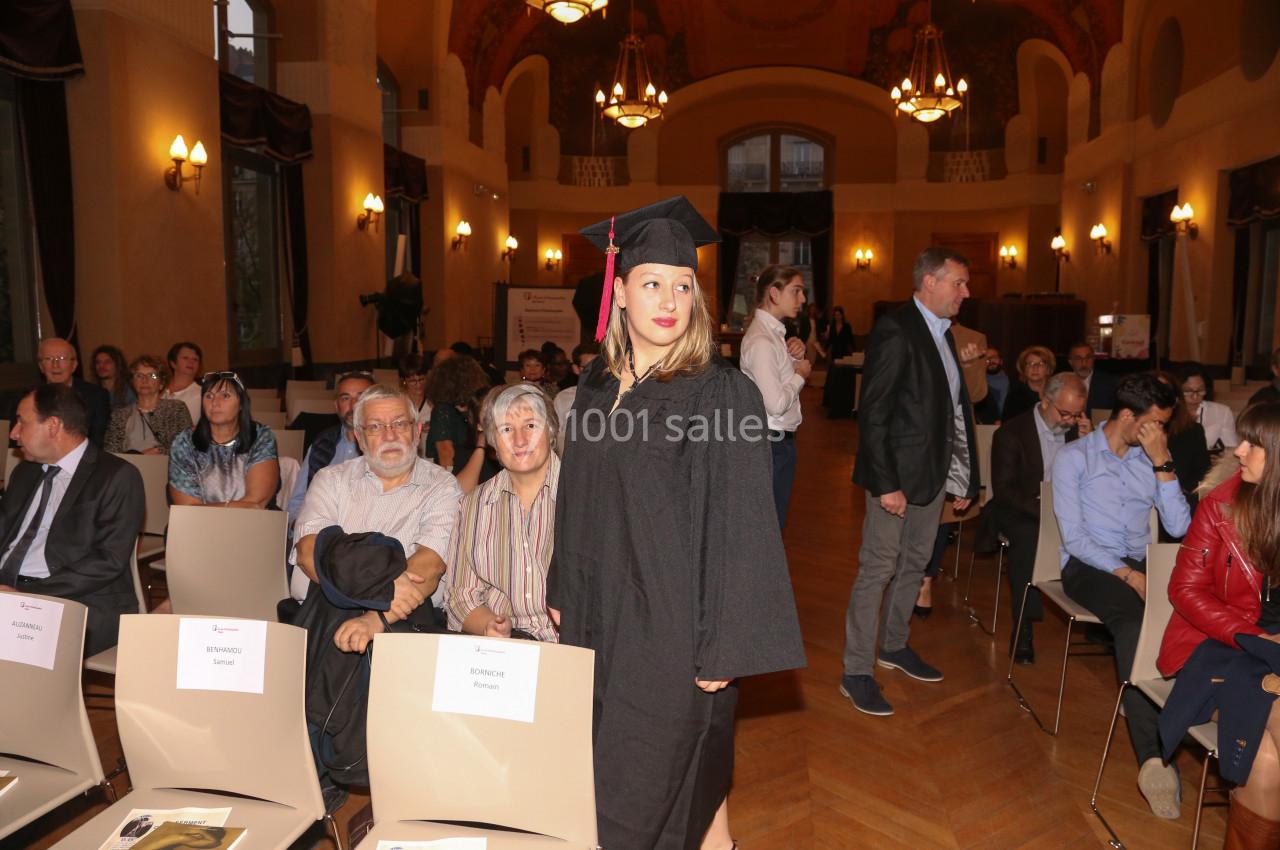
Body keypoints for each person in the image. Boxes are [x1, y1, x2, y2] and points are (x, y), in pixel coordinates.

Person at [550, 196, 805, 850]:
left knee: (638, 800)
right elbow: (576, 493)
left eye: (683, 286)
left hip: (673, 630)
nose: (669, 300)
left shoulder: (720, 392)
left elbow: (742, 525)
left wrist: (726, 640)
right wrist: (561, 587)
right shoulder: (598, 386)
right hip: (600, 619)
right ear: (622, 293)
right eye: (652, 283)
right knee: (679, 797)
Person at [840, 247, 980, 717]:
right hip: (895, 479)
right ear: (929, 282)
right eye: (958, 283)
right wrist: (885, 485)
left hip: (934, 476)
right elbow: (874, 412)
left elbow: (955, 414)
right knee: (877, 569)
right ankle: (856, 671)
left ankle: (893, 645)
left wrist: (964, 477)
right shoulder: (897, 328)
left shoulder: (943, 333)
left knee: (916, 564)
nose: (966, 292)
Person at [1052, 372, 1191, 819]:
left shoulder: (1150, 460)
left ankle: (1160, 705)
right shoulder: (1074, 459)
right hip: (1091, 566)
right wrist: (1130, 577)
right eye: (1156, 424)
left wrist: (1162, 463)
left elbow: (1180, 527)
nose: (1160, 433)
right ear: (1128, 416)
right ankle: (1152, 759)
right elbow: (1074, 539)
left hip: (1139, 560)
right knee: (1132, 623)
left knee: (1194, 615)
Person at [1157, 400, 1280, 847]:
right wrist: (1257, 636)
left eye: (1254, 443)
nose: (1239, 450)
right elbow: (1184, 591)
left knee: (1265, 762)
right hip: (1222, 650)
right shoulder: (1221, 506)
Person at [293, 383, 463, 647]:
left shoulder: (442, 486)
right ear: (359, 438)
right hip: (327, 617)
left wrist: (376, 619)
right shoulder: (331, 480)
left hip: (407, 628)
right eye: (375, 427)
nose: (389, 435)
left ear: (417, 432)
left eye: (399, 424)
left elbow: (429, 566)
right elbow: (308, 553)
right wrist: (381, 591)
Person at [1, 384, 145, 655]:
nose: (14, 433)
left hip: (76, 598)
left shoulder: (117, 476)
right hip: (8, 592)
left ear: (53, 425)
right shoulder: (24, 473)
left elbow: (108, 560)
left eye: (22, 421)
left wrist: (28, 597)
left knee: (17, 647)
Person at [446, 384, 560, 642]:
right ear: (493, 442)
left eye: (530, 426)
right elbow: (460, 595)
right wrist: (489, 625)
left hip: (574, 648)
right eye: (506, 429)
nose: (519, 441)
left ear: (551, 431)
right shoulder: (473, 506)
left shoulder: (587, 496)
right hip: (503, 651)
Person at [990, 372, 1090, 663]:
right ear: (1045, 400)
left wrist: (1091, 446)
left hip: (1067, 508)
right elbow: (1005, 491)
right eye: (1065, 413)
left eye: (1076, 414)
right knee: (1030, 538)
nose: (1070, 421)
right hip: (1022, 509)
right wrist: (1049, 512)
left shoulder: (1077, 432)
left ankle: (1100, 614)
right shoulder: (1011, 433)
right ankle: (1023, 629)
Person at [913, 321, 989, 619]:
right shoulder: (910, 328)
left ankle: (926, 578)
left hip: (952, 438)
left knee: (943, 512)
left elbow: (978, 393)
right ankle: (909, 569)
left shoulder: (973, 337)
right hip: (914, 436)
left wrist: (969, 365)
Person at [740, 264, 812, 528]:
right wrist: (801, 374)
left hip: (776, 442)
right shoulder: (762, 341)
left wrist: (795, 357)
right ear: (774, 293)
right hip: (770, 443)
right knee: (768, 526)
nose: (802, 299)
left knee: (770, 523)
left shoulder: (774, 336)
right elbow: (776, 404)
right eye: (796, 291)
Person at [168, 371, 279, 508]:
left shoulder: (261, 437)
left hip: (251, 525)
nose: (215, 402)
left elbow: (255, 504)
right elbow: (188, 509)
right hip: (199, 526)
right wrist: (231, 507)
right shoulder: (184, 442)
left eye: (225, 396)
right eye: (209, 396)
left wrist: (220, 509)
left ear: (242, 404)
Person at [286, 370, 375, 526]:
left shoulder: (389, 448)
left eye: (361, 397)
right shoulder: (322, 444)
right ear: (336, 406)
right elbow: (298, 502)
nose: (353, 405)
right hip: (321, 535)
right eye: (345, 398)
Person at [423, 354, 497, 489]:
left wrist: (447, 488)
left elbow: (445, 451)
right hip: (483, 468)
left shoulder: (442, 410)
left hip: (461, 475)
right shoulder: (476, 405)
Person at [104, 355, 194, 455]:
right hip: (130, 468)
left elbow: (187, 447)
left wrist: (158, 451)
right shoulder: (119, 415)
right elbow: (110, 453)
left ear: (161, 383)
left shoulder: (176, 409)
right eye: (139, 375)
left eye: (152, 376)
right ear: (132, 382)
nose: (145, 380)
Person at [35, 337, 111, 447]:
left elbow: (98, 440)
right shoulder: (30, 397)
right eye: (48, 359)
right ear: (41, 366)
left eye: (62, 358)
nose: (55, 365)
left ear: (74, 365)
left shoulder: (97, 396)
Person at [1177, 362, 1238, 451]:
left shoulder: (1222, 412)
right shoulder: (1168, 411)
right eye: (1188, 391)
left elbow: (1230, 447)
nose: (1195, 396)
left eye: (1200, 390)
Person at [553, 342, 600, 451]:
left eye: (598, 366)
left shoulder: (615, 396)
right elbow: (555, 436)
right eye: (587, 367)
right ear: (576, 369)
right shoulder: (563, 398)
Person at [1002, 345, 1055, 421]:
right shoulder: (1015, 395)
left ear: (1048, 369)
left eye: (1041, 363)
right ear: (1024, 369)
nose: (1035, 368)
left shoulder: (1057, 393)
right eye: (1030, 363)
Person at [1067, 341, 1118, 415]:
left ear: (1093, 359)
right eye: (1078, 358)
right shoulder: (1062, 382)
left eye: (1088, 357)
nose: (1084, 363)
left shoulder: (1110, 384)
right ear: (1070, 362)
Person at [163, 341, 204, 424]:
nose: (191, 362)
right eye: (185, 358)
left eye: (195, 359)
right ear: (173, 363)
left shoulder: (202, 394)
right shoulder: (158, 388)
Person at [91, 344, 135, 409]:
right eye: (98, 362)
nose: (101, 366)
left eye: (107, 362)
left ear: (118, 365)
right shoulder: (91, 392)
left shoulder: (128, 392)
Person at [977, 347, 1009, 424]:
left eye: (994, 357)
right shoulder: (978, 386)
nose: (990, 361)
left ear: (1001, 361)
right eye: (986, 358)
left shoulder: (1013, 383)